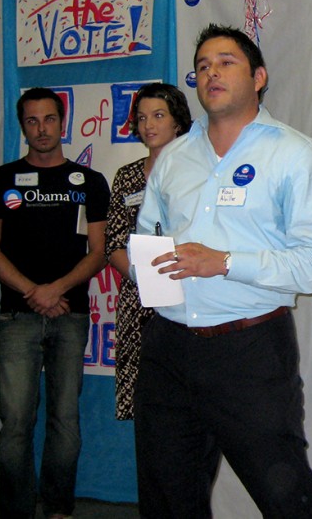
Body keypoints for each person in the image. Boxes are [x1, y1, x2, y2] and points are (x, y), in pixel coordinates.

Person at [133, 23, 312, 517]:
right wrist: (150, 272)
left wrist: (222, 263)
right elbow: (150, 239)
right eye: (202, 66)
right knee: (166, 498)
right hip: (168, 349)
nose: (211, 73)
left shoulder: (293, 151)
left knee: (287, 496)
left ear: (259, 77)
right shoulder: (174, 158)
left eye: (226, 62)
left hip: (250, 352)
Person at [0, 87, 110, 518]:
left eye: (49, 119)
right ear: (22, 126)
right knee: (15, 422)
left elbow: (99, 251)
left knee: (65, 420)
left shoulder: (89, 182)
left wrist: (57, 290)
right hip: (18, 316)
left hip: (70, 316)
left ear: (62, 121)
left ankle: (59, 509)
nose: (42, 128)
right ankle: (15, 511)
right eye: (32, 121)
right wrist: (35, 291)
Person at [104, 83, 192, 421]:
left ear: (177, 123)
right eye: (141, 118)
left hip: (188, 295)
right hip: (138, 298)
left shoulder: (197, 175)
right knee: (145, 404)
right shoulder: (126, 177)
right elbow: (113, 242)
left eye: (158, 116)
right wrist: (144, 280)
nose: (148, 125)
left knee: (184, 403)